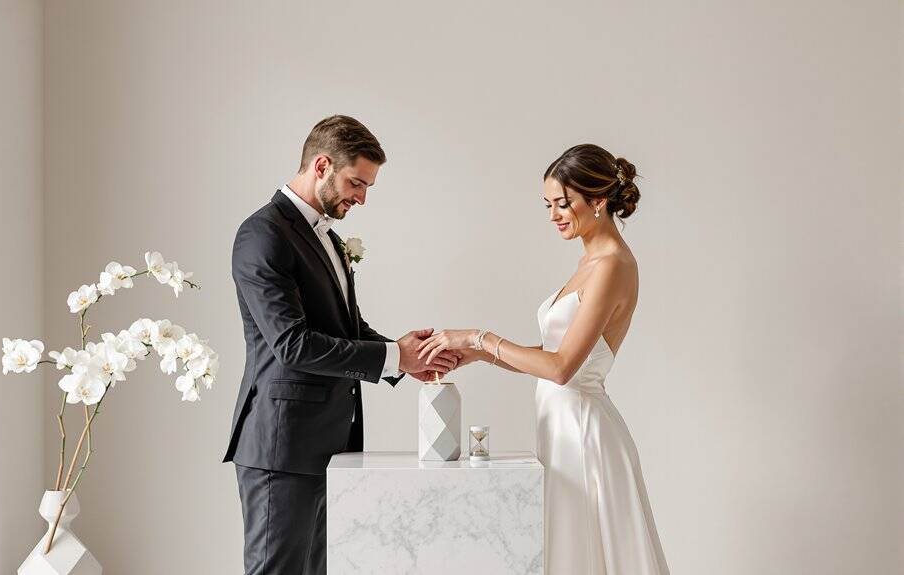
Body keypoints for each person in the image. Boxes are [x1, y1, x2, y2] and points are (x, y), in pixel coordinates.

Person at [418, 144, 670, 574]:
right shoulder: (589, 262)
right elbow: (553, 356)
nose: (553, 215)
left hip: (584, 433)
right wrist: (478, 354)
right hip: (561, 426)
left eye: (563, 204)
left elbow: (562, 368)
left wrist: (482, 336)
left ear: (598, 201)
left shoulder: (612, 265)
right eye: (548, 205)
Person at [224, 115, 459, 575]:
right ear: (322, 165)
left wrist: (402, 355)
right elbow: (292, 344)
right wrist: (393, 356)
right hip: (282, 445)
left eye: (367, 187)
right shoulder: (263, 234)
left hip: (327, 442)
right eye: (356, 183)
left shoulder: (327, 237)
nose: (362, 198)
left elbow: (343, 326)